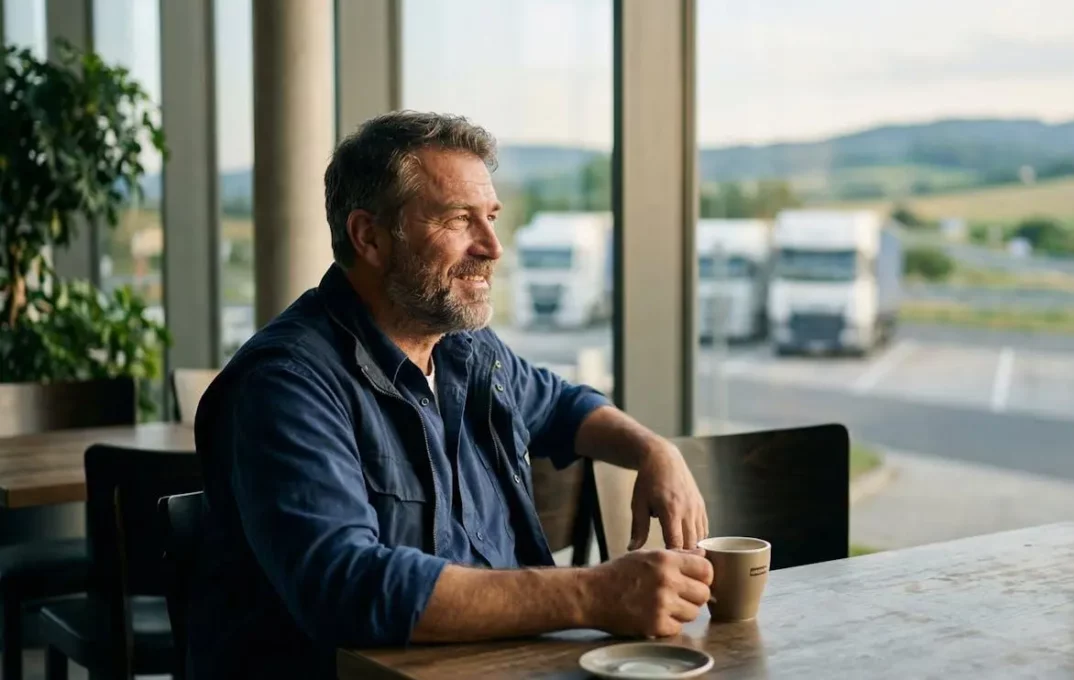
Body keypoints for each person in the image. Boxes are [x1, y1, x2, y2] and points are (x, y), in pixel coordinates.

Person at [188, 111, 712, 679]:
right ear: (369, 236)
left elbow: (564, 407)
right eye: (460, 220)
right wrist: (591, 595)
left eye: (490, 218)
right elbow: (345, 586)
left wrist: (655, 451)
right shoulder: (285, 384)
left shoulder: (466, 349)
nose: (492, 247)